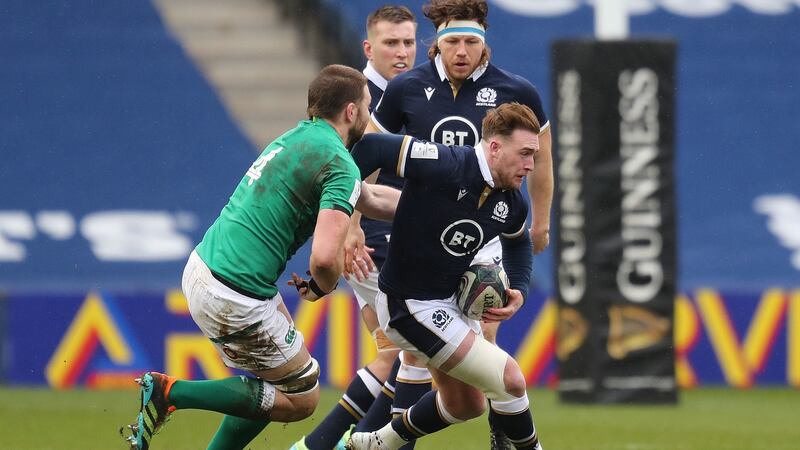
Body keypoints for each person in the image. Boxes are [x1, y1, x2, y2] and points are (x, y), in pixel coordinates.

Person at [121, 64, 401, 450]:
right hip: (235, 294)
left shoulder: (298, 138)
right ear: (351, 111)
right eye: (367, 106)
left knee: (274, 385)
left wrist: (432, 209)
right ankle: (170, 393)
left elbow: (369, 199)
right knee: (302, 397)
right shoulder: (340, 163)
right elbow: (323, 258)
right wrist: (324, 283)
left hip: (206, 266)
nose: (370, 116)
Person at [356, 0, 552, 447]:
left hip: (475, 242)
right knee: (504, 376)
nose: (462, 51)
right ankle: (513, 442)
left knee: (465, 400)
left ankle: (374, 442)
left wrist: (529, 250)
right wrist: (347, 216)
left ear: (485, 43)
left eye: (471, 41)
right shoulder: (432, 142)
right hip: (415, 269)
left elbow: (537, 178)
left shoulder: (512, 191)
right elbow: (369, 149)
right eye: (453, 42)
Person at [290, 6, 418, 450]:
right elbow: (345, 170)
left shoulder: (409, 92)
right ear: (369, 47)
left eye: (408, 42)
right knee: (412, 354)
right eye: (390, 43)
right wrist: (351, 230)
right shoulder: (360, 101)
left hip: (387, 237)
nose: (402, 53)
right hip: (373, 243)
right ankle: (335, 445)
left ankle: (328, 445)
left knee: (395, 355)